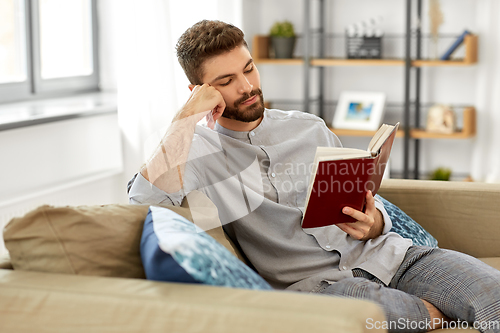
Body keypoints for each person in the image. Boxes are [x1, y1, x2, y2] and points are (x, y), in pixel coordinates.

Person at [128, 20, 500, 333]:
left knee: (493, 297)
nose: (246, 86)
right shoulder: (194, 156)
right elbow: (142, 201)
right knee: (411, 318)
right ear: (199, 92)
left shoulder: (310, 128)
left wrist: (373, 223)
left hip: (391, 255)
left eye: (249, 68)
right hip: (320, 286)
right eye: (226, 80)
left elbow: (365, 208)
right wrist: (184, 120)